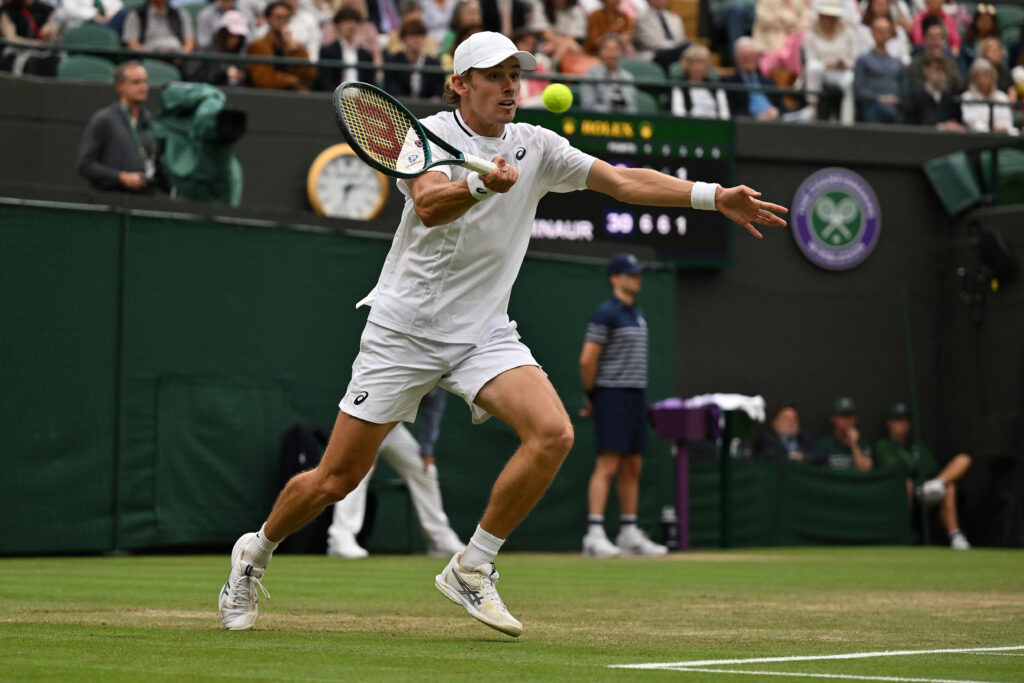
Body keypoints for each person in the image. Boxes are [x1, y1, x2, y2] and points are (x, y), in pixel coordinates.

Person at [217, 30, 787, 637]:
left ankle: (472, 564)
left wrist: (711, 195)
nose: (509, 85)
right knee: (336, 479)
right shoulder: (425, 135)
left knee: (553, 433)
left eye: (515, 73)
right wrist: (482, 181)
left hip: (483, 331)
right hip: (403, 331)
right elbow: (432, 203)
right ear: (459, 85)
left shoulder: (535, 144)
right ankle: (253, 554)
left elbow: (620, 181)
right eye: (493, 75)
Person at [579, 253, 669, 558]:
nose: (637, 278)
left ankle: (629, 533)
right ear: (614, 278)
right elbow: (587, 359)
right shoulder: (606, 313)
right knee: (608, 465)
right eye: (630, 274)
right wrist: (593, 395)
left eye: (638, 273)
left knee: (633, 465)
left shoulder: (637, 313)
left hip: (635, 396)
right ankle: (594, 534)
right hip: (612, 395)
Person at [325, 422, 465, 558]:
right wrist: (371, 445)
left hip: (394, 428)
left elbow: (432, 414)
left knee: (426, 471)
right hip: (367, 425)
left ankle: (439, 540)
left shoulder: (436, 396)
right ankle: (340, 537)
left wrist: (426, 449)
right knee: (358, 471)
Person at [873, 401, 972, 550]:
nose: (903, 424)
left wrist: (933, 481)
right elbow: (894, 468)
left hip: (927, 487)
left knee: (956, 473)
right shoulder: (883, 445)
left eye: (906, 420)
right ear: (890, 423)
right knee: (905, 484)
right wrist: (914, 467)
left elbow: (931, 466)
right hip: (905, 489)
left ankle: (955, 535)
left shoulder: (917, 445)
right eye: (898, 420)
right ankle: (904, 534)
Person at [77, 61, 171, 194]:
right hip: (110, 202)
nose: (143, 87)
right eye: (136, 82)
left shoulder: (151, 123)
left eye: (145, 82)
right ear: (119, 87)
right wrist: (120, 177)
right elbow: (85, 165)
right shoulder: (104, 120)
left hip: (143, 202)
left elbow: (159, 169)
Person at [803, 0, 858, 124]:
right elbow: (810, 59)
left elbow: (855, 58)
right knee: (813, 67)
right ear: (821, 16)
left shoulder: (848, 32)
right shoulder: (811, 34)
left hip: (841, 71)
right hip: (821, 71)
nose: (829, 19)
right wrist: (825, 63)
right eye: (826, 16)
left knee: (850, 80)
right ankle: (812, 109)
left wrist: (842, 64)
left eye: (833, 16)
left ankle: (847, 119)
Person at [247, 1, 317, 90]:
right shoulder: (258, 46)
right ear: (268, 19)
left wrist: (295, 50)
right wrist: (290, 80)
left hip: (295, 96)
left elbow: (309, 75)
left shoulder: (296, 46)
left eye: (287, 18)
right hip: (269, 96)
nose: (283, 22)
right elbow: (262, 79)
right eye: (279, 17)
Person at [854, 15, 906, 122]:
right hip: (872, 106)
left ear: (890, 34)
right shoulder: (863, 60)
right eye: (879, 30)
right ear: (872, 33)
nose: (883, 33)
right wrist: (879, 98)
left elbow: (904, 89)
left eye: (886, 30)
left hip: (896, 106)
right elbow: (859, 90)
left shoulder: (897, 62)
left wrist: (897, 100)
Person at [317, 6, 376, 92]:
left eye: (354, 21)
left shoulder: (366, 55)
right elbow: (326, 81)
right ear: (338, 24)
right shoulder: (327, 52)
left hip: (360, 102)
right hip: (335, 100)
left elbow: (370, 84)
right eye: (346, 21)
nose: (351, 25)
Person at [723, 36, 783, 120]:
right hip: (749, 125)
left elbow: (781, 107)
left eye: (751, 55)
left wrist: (777, 112)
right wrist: (758, 118)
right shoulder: (729, 82)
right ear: (737, 59)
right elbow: (733, 112)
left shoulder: (768, 81)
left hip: (776, 122)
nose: (749, 59)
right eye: (744, 56)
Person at [384, 17, 445, 98]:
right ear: (403, 39)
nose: (417, 39)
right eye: (412, 35)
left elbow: (438, 91)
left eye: (420, 35)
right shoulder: (392, 61)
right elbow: (392, 89)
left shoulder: (434, 63)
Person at [186, 9, 250, 85]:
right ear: (223, 34)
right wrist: (224, 74)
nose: (235, 41)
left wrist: (244, 76)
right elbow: (194, 76)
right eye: (232, 36)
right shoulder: (206, 53)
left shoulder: (241, 57)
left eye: (238, 37)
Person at [0, 0, 60, 76]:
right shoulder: (8, 9)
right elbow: (10, 37)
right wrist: (34, 44)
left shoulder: (46, 9)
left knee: (53, 62)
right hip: (16, 53)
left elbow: (49, 37)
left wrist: (48, 35)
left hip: (41, 53)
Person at [580, 32, 636, 113]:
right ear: (600, 52)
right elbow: (588, 105)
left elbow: (632, 106)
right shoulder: (591, 74)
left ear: (620, 52)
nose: (612, 53)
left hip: (625, 121)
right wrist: (613, 111)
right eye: (607, 49)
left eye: (616, 49)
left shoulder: (628, 76)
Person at [670, 43, 730, 119]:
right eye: (696, 63)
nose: (700, 68)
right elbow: (678, 113)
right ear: (687, 65)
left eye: (703, 63)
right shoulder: (679, 86)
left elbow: (725, 114)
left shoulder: (716, 87)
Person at [905, 54, 965, 129]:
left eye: (943, 70)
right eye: (936, 69)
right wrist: (938, 127)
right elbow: (911, 125)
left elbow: (958, 122)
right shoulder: (915, 97)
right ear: (926, 70)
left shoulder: (950, 98)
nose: (940, 73)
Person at [961, 57, 1019, 134]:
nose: (982, 80)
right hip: (977, 138)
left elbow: (1007, 122)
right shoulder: (966, 97)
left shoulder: (1002, 97)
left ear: (992, 77)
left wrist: (1002, 128)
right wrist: (991, 129)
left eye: (985, 75)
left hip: (1002, 136)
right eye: (978, 76)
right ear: (973, 79)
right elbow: (970, 122)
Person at [753, 402, 823, 463]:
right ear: (775, 423)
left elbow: (821, 456)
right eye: (786, 418)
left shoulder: (804, 438)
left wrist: (805, 457)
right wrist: (792, 457)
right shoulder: (767, 439)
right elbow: (768, 456)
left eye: (794, 418)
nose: (791, 422)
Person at [816, 396, 873, 471]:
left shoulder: (862, 444)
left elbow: (865, 470)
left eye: (850, 416)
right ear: (833, 419)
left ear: (855, 418)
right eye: (842, 416)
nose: (847, 420)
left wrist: (854, 445)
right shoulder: (824, 445)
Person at [907, 17, 963, 92]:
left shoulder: (949, 60)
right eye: (932, 37)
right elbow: (914, 87)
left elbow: (960, 86)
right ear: (924, 39)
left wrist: (943, 62)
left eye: (939, 37)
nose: (936, 42)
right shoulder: (916, 63)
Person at [122, 0, 196, 54]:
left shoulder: (180, 14)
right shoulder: (137, 14)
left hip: (177, 56)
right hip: (149, 56)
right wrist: (155, 53)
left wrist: (181, 55)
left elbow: (189, 43)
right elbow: (131, 44)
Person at [633, 0, 688, 70]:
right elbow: (652, 42)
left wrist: (679, 48)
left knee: (695, 52)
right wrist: (677, 47)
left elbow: (681, 39)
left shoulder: (675, 18)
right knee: (688, 47)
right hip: (655, 54)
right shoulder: (641, 18)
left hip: (677, 53)